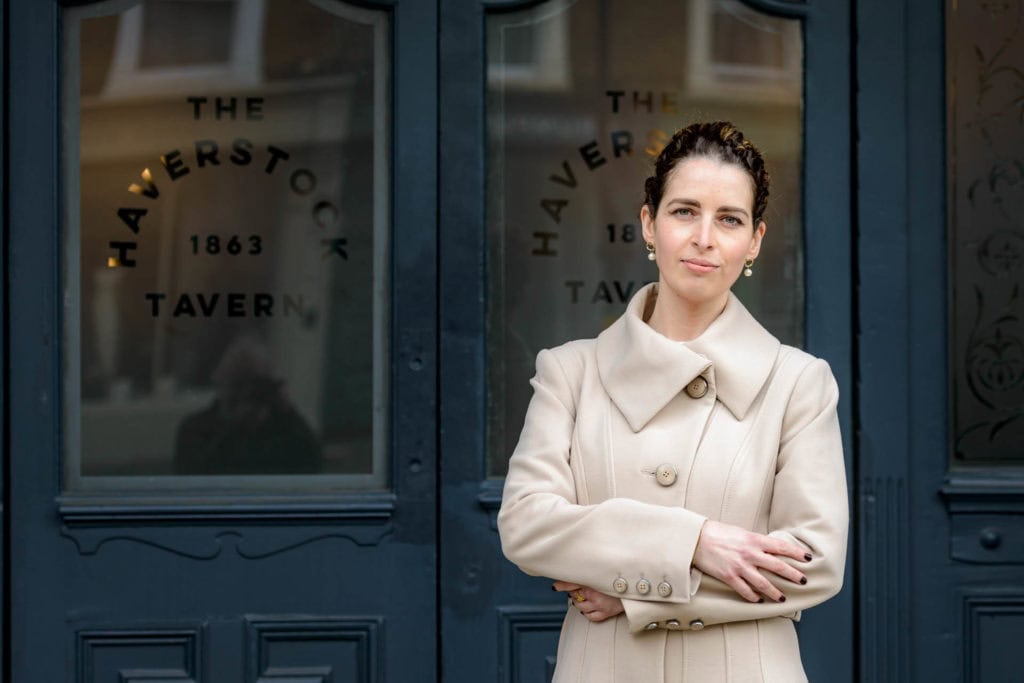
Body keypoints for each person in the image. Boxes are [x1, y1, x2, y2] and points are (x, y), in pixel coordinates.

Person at [497, 121, 848, 682]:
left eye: (729, 219)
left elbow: (815, 563)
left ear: (754, 240)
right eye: (684, 211)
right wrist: (697, 543)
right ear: (649, 223)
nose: (704, 237)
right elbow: (527, 524)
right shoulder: (569, 371)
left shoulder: (798, 383)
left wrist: (645, 598)